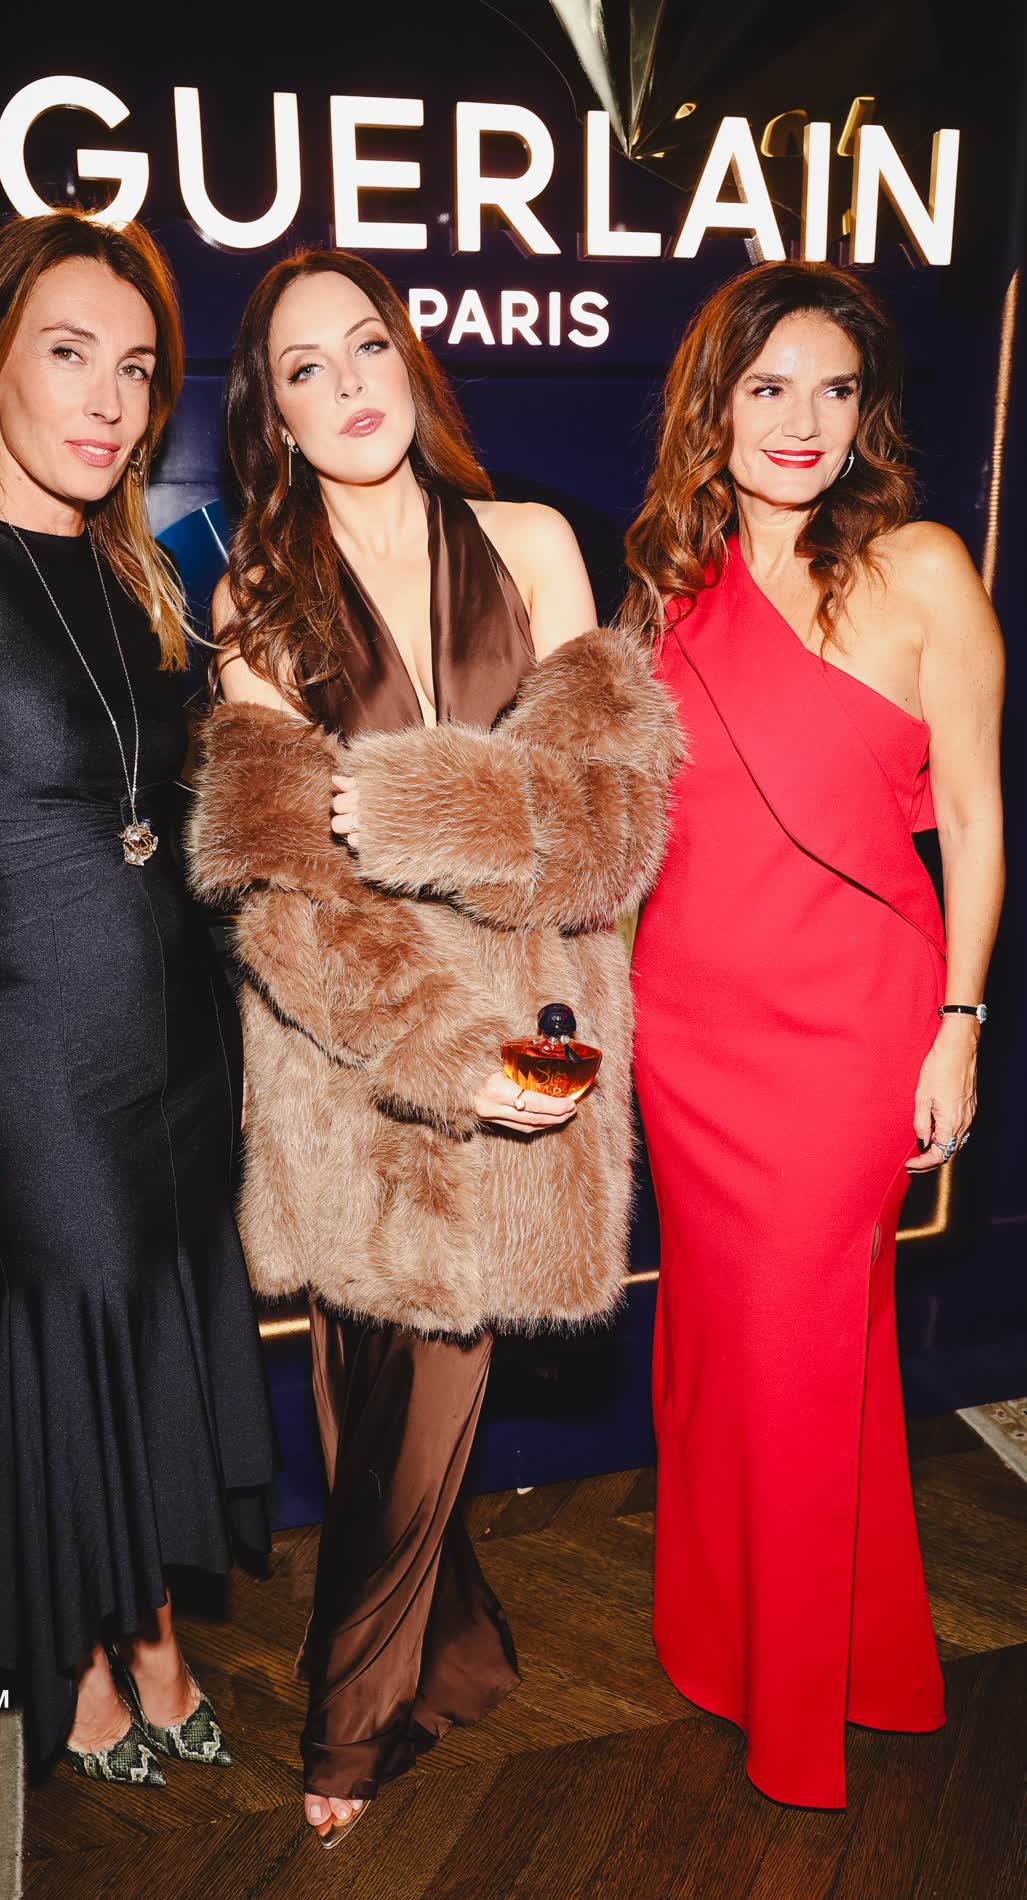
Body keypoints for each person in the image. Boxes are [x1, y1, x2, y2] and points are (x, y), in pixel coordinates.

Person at [186, 248, 683, 1845]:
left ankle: (343, 1732)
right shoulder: (257, 602)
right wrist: (430, 1047)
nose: (348, 385)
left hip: (537, 1032)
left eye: (367, 346)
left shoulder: (531, 543)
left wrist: (401, 808)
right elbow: (279, 895)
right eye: (305, 369)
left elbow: (609, 833)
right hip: (354, 1065)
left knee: (430, 1395)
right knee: (367, 1404)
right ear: (272, 414)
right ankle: (449, 1652)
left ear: (411, 359)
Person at [0, 210, 275, 1783]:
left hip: (179, 1045)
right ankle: (80, 1664)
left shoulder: (135, 569)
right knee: (82, 1344)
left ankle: (156, 1637)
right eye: (68, 354)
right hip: (36, 1053)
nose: (109, 399)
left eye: (137, 370)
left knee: (164, 1335)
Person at [624, 261, 1006, 1807]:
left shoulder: (921, 567)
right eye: (768, 386)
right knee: (728, 1355)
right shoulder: (666, 588)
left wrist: (961, 1022)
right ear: (711, 406)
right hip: (686, 1034)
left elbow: (973, 815)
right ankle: (742, 1643)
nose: (803, 420)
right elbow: (625, 833)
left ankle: (799, 1714)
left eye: (835, 389)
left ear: (868, 412)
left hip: (850, 1027)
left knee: (794, 1351)